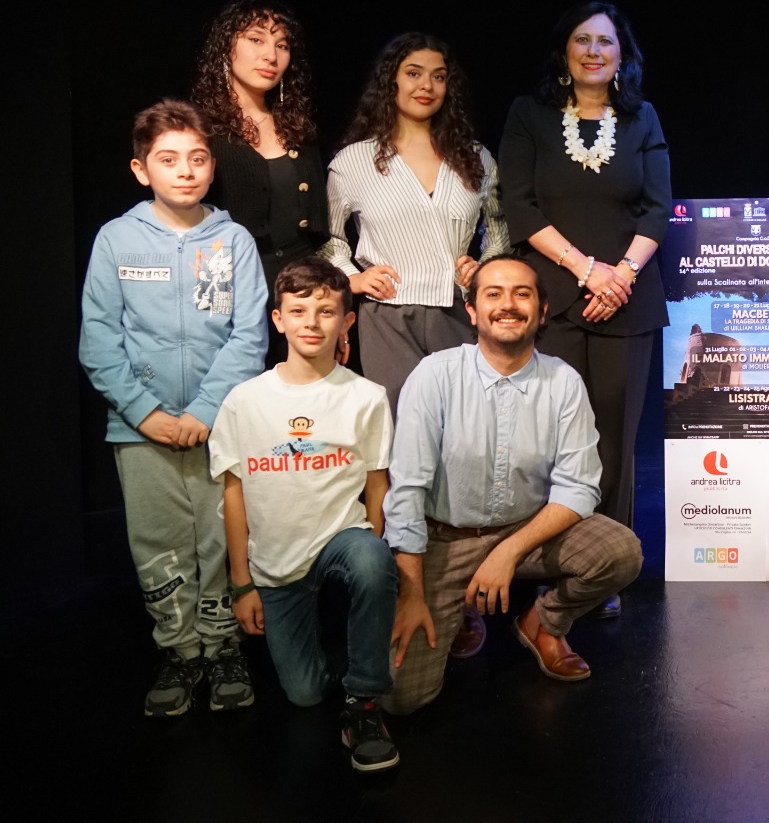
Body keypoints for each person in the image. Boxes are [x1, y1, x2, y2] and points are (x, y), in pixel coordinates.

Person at [383, 254, 643, 714]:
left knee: (621, 552)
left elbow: (579, 487)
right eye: (494, 294)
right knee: (401, 699)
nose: (508, 304)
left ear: (542, 312)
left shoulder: (563, 381)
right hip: (445, 540)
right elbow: (406, 491)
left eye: (522, 294)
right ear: (472, 310)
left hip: (526, 532)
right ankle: (457, 606)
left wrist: (507, 551)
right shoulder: (435, 375)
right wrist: (411, 594)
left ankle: (543, 623)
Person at [79, 99, 267, 717]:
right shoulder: (117, 238)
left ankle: (223, 645)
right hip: (141, 429)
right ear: (142, 170)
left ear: (212, 166)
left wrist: (206, 411)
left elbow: (249, 337)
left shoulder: (233, 240)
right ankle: (181, 651)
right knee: (157, 541)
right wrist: (144, 412)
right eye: (168, 159)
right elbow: (98, 338)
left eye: (197, 158)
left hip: (219, 426)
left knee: (220, 536)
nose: (185, 170)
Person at [499, 2, 670, 607]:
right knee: (552, 439)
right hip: (554, 298)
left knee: (615, 441)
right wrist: (586, 270)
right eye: (582, 39)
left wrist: (620, 276)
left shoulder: (643, 118)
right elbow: (519, 206)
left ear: (623, 55)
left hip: (628, 299)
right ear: (564, 51)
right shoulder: (529, 115)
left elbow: (657, 208)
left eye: (606, 41)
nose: (594, 51)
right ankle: (548, 566)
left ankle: (606, 574)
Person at [210, 258, 400, 772]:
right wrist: (242, 583)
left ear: (347, 321)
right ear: (278, 319)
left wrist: (379, 556)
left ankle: (364, 701)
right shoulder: (244, 401)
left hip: (342, 537)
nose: (311, 323)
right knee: (304, 693)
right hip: (276, 560)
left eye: (326, 311)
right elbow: (233, 493)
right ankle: (345, 653)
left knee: (370, 562)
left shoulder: (366, 397)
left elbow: (377, 483)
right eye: (298, 311)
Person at [324, 32, 510, 413]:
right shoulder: (353, 162)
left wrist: (485, 270)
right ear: (391, 81)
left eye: (438, 76)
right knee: (400, 423)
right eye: (413, 73)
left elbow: (499, 230)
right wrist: (353, 278)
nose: (426, 85)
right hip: (387, 314)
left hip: (458, 310)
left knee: (462, 422)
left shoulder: (475, 158)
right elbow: (329, 239)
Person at [190, 0, 329, 364]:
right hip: (229, 290)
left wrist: (329, 304)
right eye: (256, 39)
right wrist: (210, 309)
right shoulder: (200, 130)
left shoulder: (298, 130)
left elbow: (317, 235)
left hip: (298, 298)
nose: (271, 55)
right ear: (226, 47)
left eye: (282, 45)